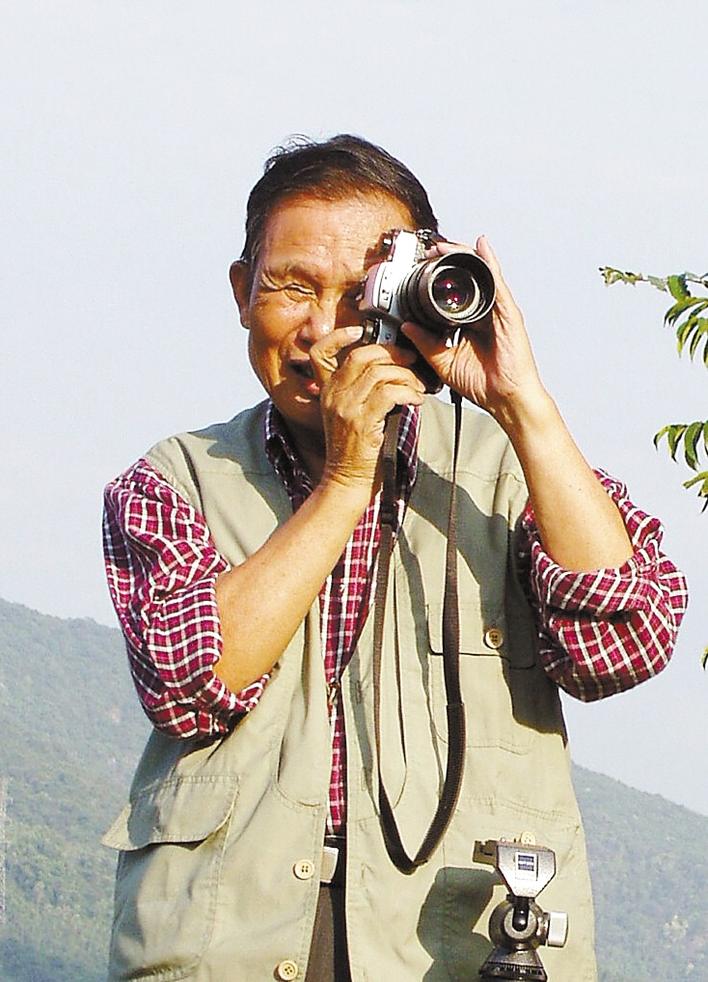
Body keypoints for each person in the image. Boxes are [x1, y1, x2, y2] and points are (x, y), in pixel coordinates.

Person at [102, 134, 687, 982]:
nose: (322, 330)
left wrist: (522, 401)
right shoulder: (174, 480)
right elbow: (190, 682)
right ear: (240, 292)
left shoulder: (508, 471)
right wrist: (347, 479)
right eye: (292, 287)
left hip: (464, 944)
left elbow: (625, 643)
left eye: (359, 296)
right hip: (228, 941)